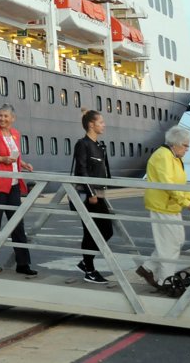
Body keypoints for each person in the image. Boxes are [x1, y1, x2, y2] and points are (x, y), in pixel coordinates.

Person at [137, 126, 190, 290]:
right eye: (185, 145)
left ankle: (147, 268)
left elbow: (180, 185)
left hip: (172, 206)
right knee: (169, 245)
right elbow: (168, 185)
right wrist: (187, 204)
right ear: (175, 144)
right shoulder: (163, 156)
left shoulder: (175, 157)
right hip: (161, 205)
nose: (187, 149)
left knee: (177, 241)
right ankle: (165, 280)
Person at [0, 103, 37, 276]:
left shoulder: (15, 134)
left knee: (17, 225)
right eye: (0, 115)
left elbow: (14, 155)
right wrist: (1, 159)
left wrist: (23, 163)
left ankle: (23, 264)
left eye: (6, 116)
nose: (2, 119)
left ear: (13, 118)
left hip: (14, 185)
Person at [72, 109, 114, 284]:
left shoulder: (99, 145)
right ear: (91, 124)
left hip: (99, 194)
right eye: (101, 122)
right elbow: (81, 170)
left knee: (106, 230)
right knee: (91, 231)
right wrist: (91, 193)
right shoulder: (83, 144)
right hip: (88, 196)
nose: (104, 125)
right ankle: (89, 270)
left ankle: (85, 262)